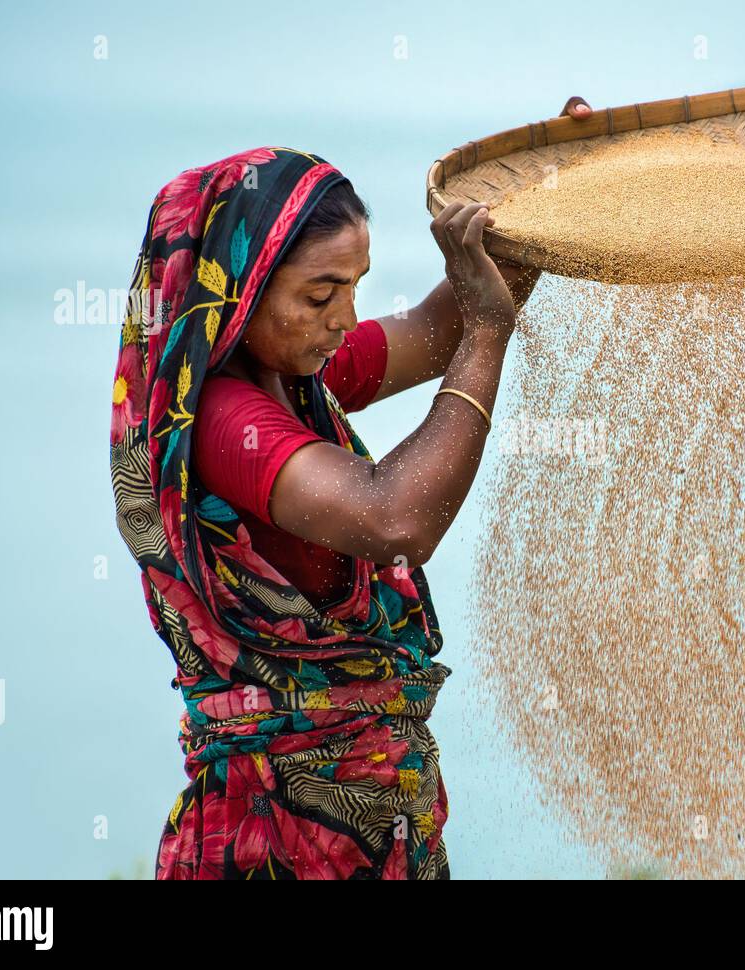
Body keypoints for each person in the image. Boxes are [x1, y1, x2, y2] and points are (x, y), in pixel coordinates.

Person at [109, 99, 591, 879]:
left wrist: (545, 199)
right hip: (284, 836)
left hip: (362, 818)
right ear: (238, 291)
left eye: (356, 286)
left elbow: (438, 334)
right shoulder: (228, 422)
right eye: (320, 293)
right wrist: (492, 336)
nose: (346, 317)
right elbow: (396, 516)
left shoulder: (296, 371)